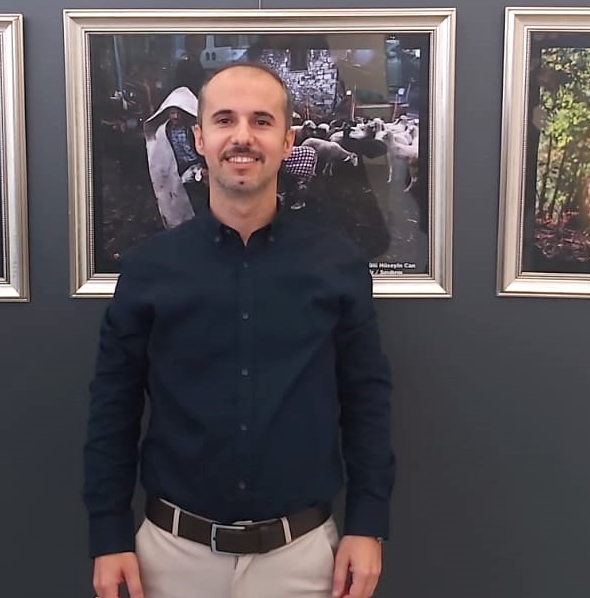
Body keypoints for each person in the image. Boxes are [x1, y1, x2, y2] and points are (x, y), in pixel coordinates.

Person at [85, 62, 394, 598]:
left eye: (261, 120)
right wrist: (108, 534)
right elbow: (113, 407)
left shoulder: (337, 265)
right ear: (200, 138)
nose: (243, 137)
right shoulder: (148, 269)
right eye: (225, 120)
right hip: (169, 560)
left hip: (304, 562)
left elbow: (366, 399)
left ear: (287, 139)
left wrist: (368, 525)